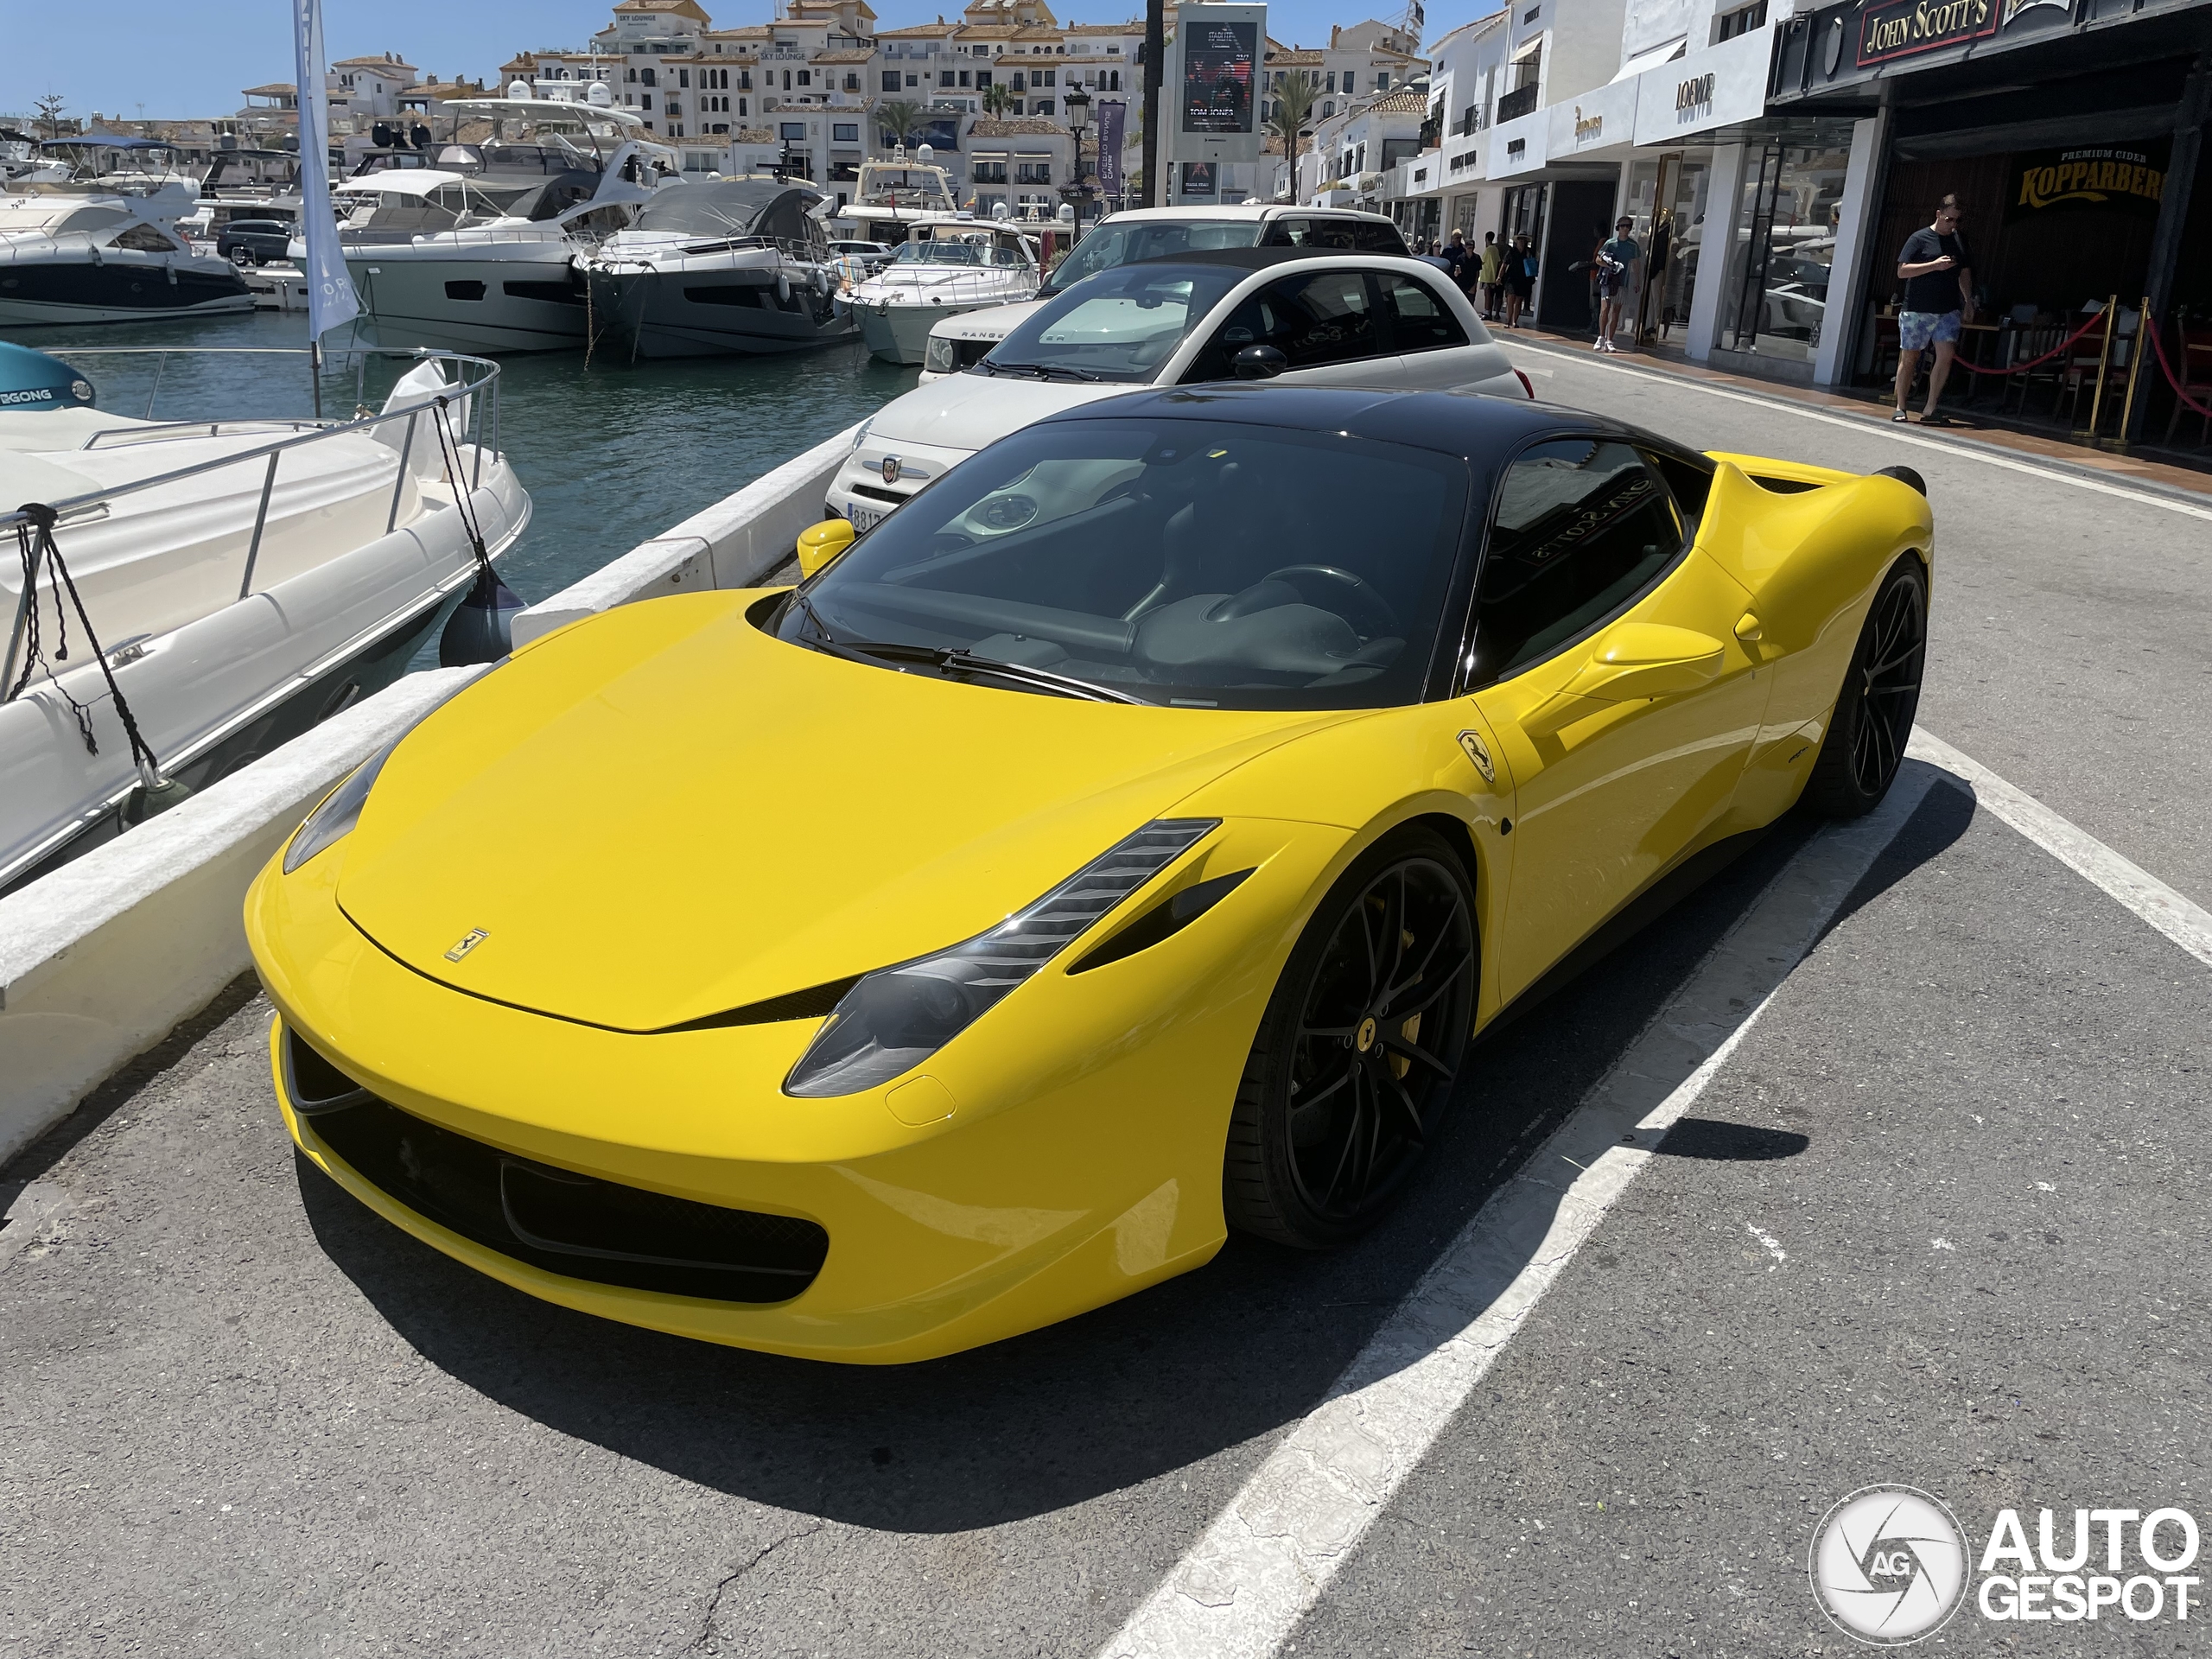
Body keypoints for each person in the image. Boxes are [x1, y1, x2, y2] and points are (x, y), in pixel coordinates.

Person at [1891, 194, 1974, 424]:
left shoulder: (1959, 240)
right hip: (1917, 308)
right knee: (1910, 358)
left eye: (1957, 221)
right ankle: (1901, 405)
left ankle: (1930, 407)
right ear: (1938, 214)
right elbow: (1902, 271)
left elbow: (1964, 272)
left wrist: (1968, 300)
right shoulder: (1919, 238)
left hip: (1948, 310)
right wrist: (1934, 266)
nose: (1953, 225)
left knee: (1946, 356)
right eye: (1949, 219)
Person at [1592, 215, 1641, 353]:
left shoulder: (1633, 246)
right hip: (1608, 280)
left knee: (1616, 311)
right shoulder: (1610, 243)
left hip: (1622, 282)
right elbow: (1598, 259)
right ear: (1618, 227)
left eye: (1627, 226)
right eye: (1622, 226)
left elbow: (1636, 264)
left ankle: (1610, 340)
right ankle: (1601, 337)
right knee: (1605, 309)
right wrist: (1610, 265)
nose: (1625, 228)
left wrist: (1637, 282)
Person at [1503, 233, 1535, 329]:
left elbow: (1532, 264)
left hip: (1523, 279)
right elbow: (1504, 264)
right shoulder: (1512, 252)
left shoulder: (1528, 253)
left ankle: (1515, 321)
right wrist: (1499, 277)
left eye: (1523, 240)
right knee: (1511, 298)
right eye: (1520, 239)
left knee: (1519, 300)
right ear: (1516, 241)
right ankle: (1508, 321)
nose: (1521, 241)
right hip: (1511, 278)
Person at [1478, 231, 1506, 321]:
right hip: (1493, 275)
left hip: (1487, 275)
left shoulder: (1489, 249)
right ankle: (1490, 312)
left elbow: (1482, 261)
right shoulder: (1495, 249)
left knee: (1487, 295)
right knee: (1492, 296)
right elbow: (1498, 261)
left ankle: (1487, 312)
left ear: (1486, 239)